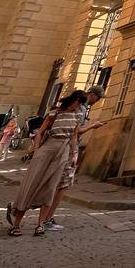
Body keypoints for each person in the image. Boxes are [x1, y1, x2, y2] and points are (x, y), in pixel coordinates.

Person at [6, 91, 87, 236]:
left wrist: (75, 155)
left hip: (63, 151)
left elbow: (74, 137)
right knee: (31, 184)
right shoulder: (55, 113)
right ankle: (16, 224)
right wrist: (36, 151)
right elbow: (40, 132)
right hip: (48, 149)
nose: (79, 106)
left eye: (81, 103)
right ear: (73, 99)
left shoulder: (77, 116)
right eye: (79, 102)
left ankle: (40, 224)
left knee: (51, 187)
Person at [43, 89, 107, 231]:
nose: (96, 102)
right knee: (61, 185)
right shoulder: (81, 109)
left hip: (55, 148)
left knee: (50, 182)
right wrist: (92, 126)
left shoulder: (62, 109)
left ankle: (28, 211)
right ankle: (46, 219)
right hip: (67, 149)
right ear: (92, 95)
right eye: (97, 99)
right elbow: (76, 132)